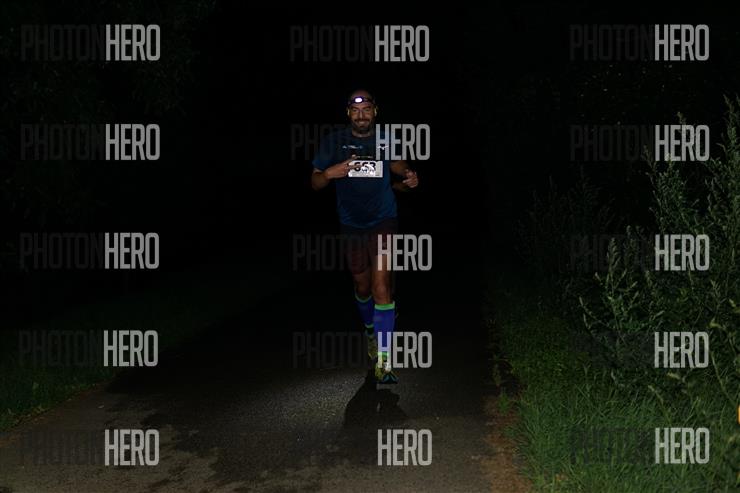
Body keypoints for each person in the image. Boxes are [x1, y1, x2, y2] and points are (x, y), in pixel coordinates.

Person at [311, 89, 419, 383]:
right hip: (351, 224)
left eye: (367, 109)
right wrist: (330, 174)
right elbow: (315, 181)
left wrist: (408, 173)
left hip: (383, 219)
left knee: (381, 285)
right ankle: (371, 332)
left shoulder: (386, 139)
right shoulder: (333, 142)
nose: (361, 115)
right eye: (356, 110)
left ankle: (384, 359)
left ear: (375, 112)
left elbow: (396, 163)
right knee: (362, 286)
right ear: (348, 113)